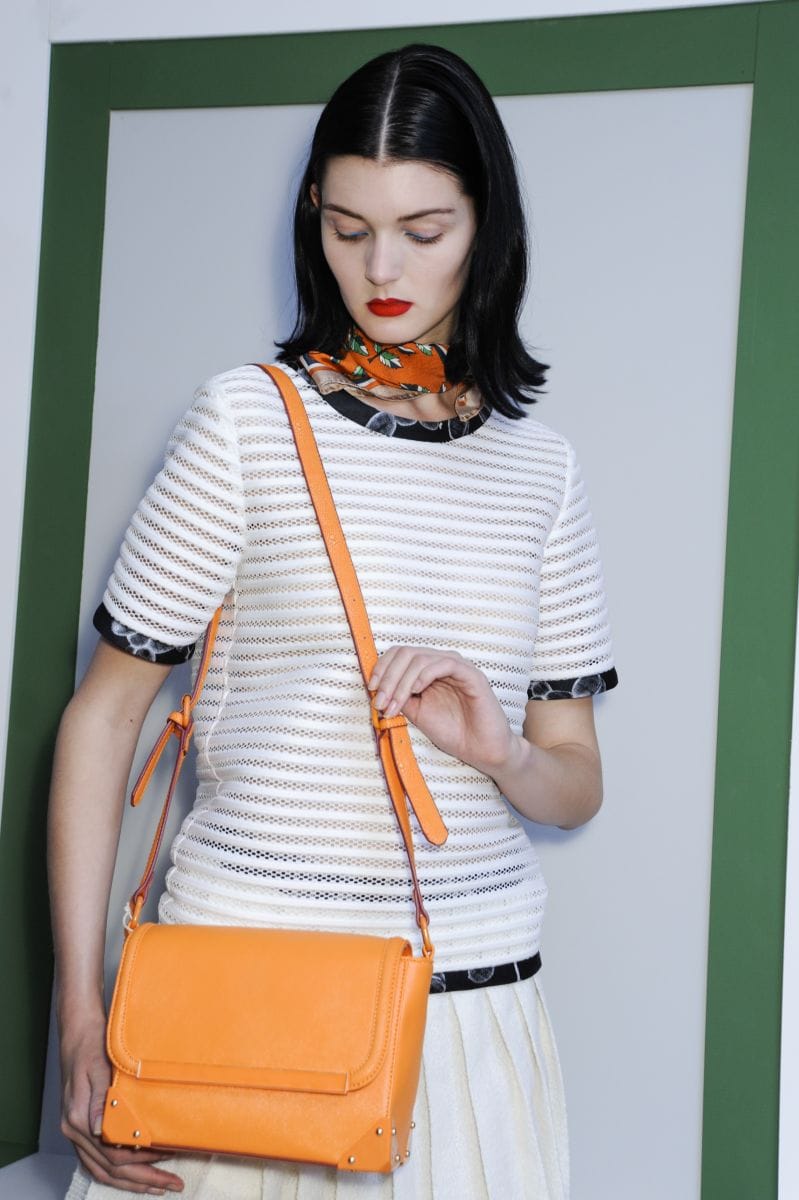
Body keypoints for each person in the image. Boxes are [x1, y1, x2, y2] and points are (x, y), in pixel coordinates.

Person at [50, 43, 617, 1200]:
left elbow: (575, 782)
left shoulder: (542, 473)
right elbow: (104, 718)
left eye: (423, 229)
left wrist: (501, 752)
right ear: (314, 215)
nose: (381, 269)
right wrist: (80, 1014)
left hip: (467, 1024)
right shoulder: (245, 425)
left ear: (487, 225)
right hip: (238, 1002)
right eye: (348, 228)